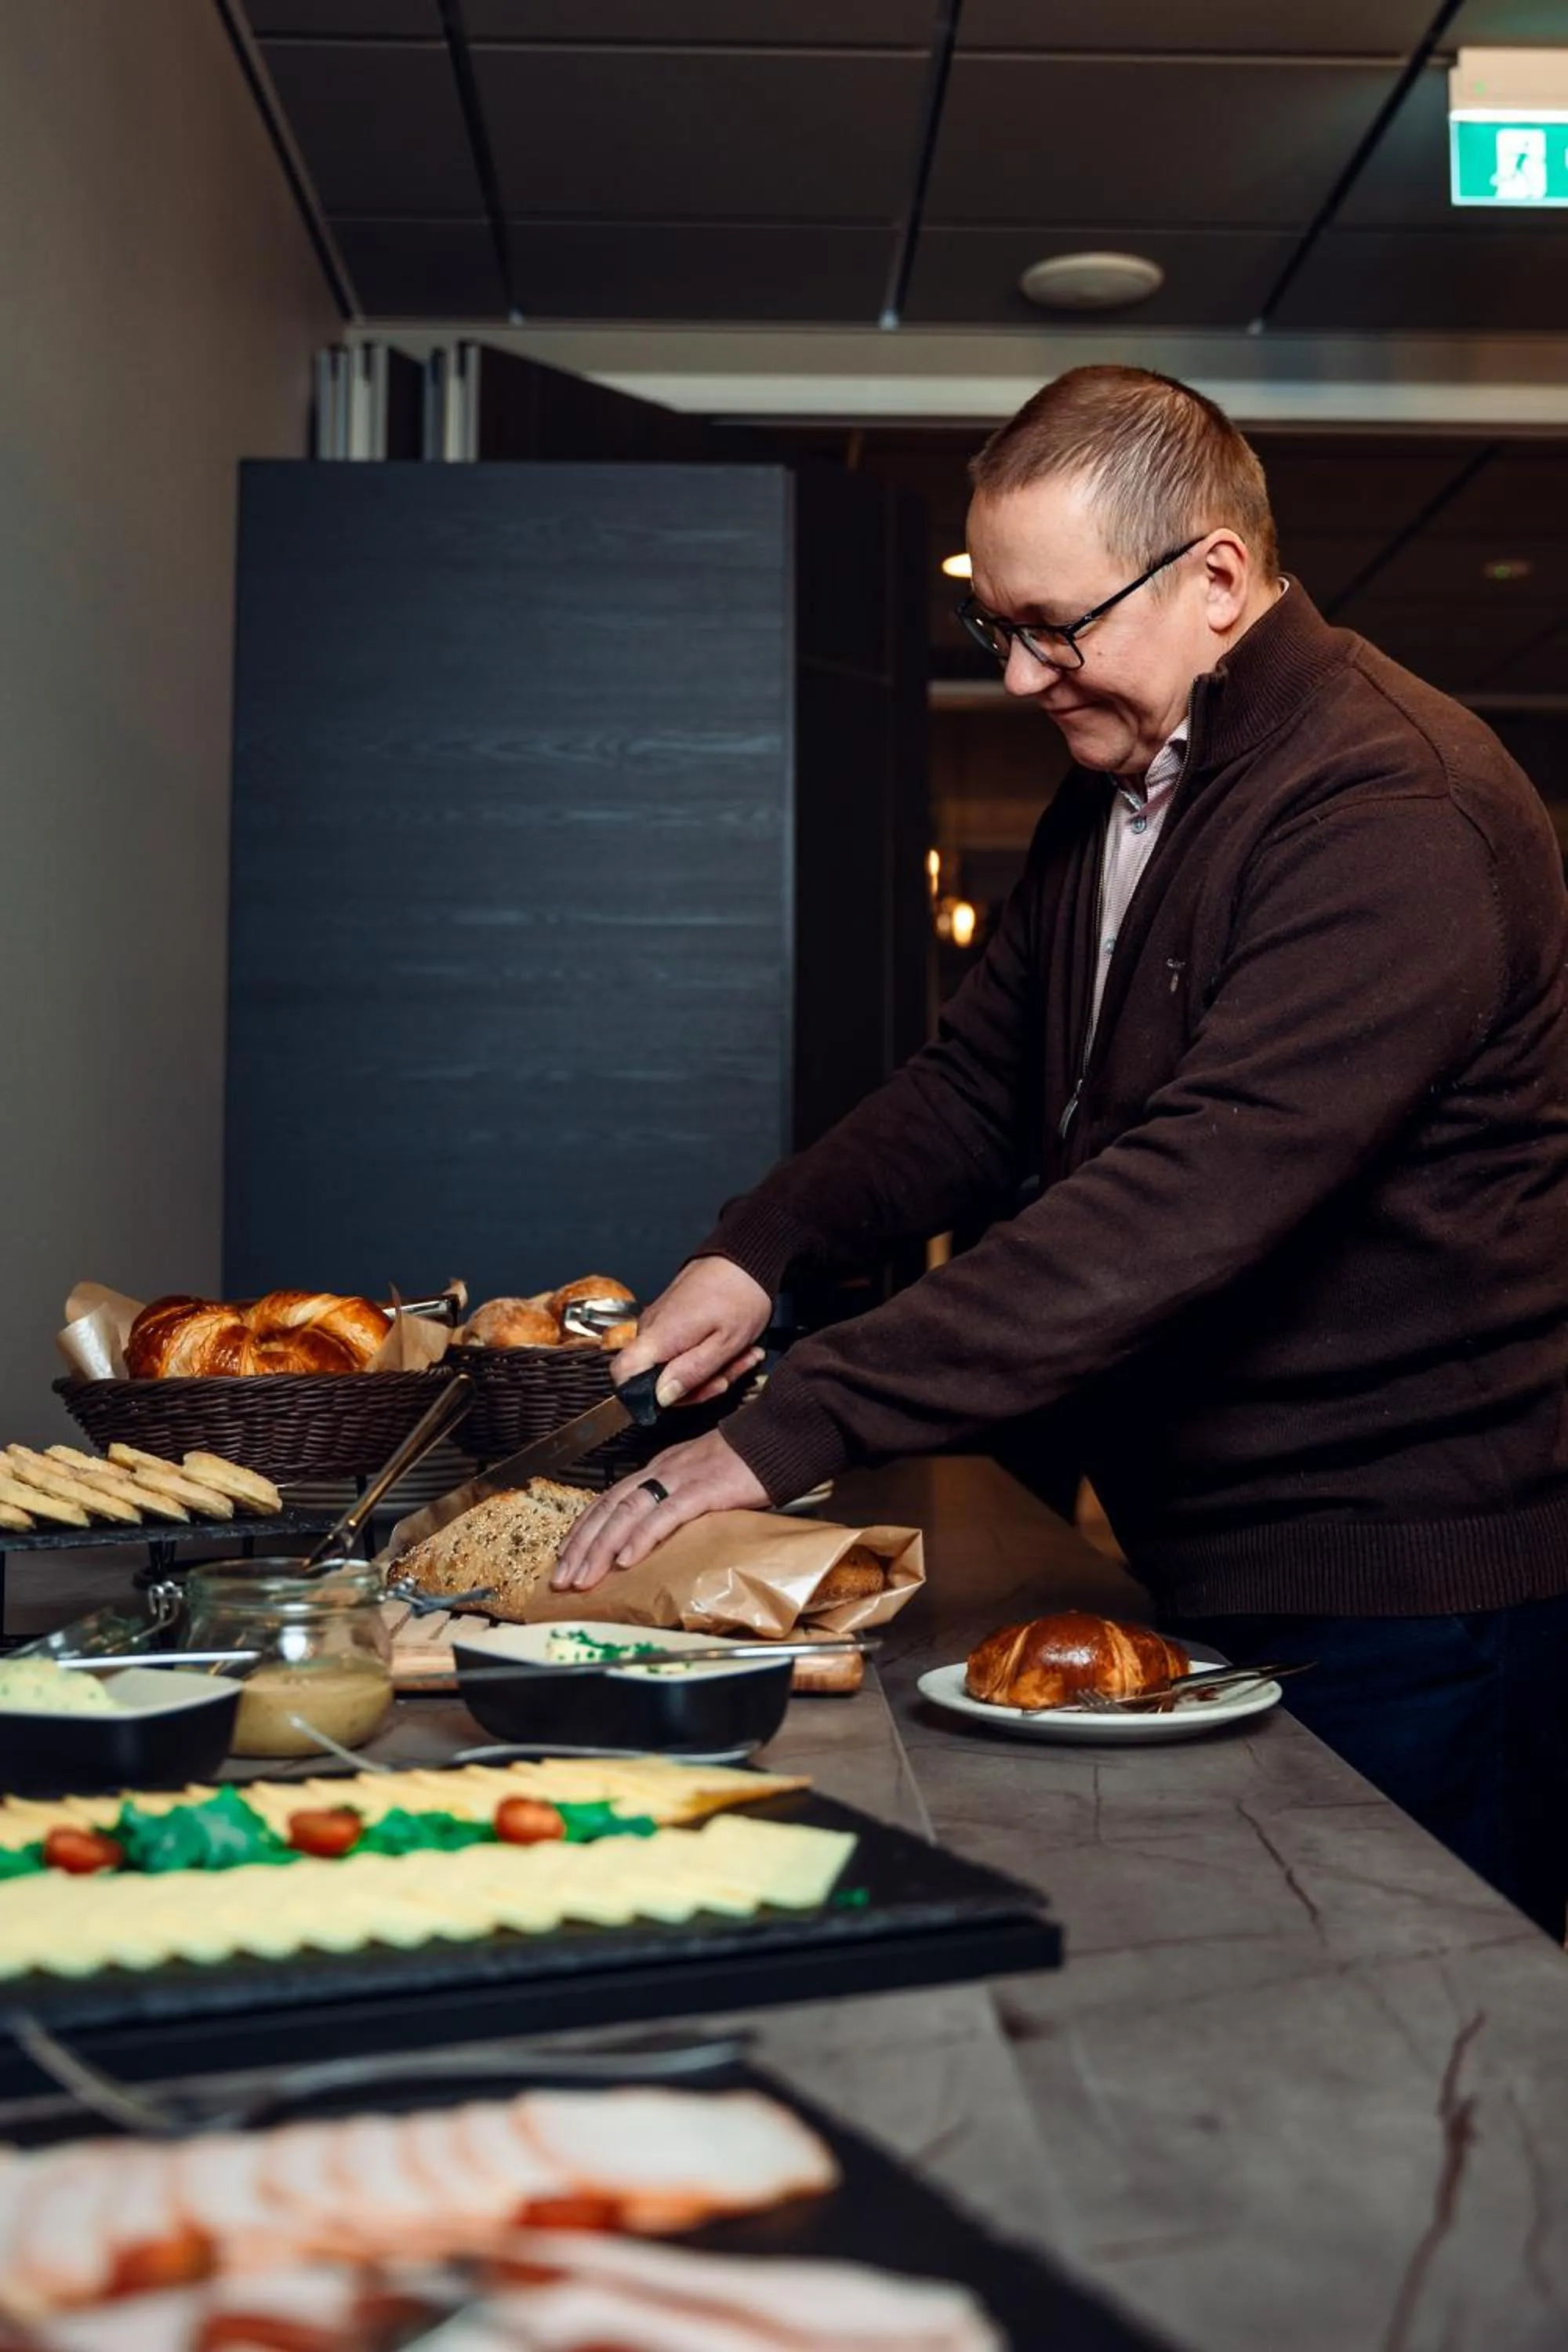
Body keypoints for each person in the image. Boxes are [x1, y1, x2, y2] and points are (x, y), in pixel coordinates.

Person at [553, 365, 1568, 1939]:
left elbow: (1180, 1200)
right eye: (997, 629)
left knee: (1422, 2055)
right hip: (1215, 1550)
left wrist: (790, 1426)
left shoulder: (1389, 809)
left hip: (1408, 1594)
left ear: (1216, 579)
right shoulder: (1117, 796)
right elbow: (976, 1090)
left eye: (1054, 625)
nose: (1021, 678)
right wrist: (758, 1251)